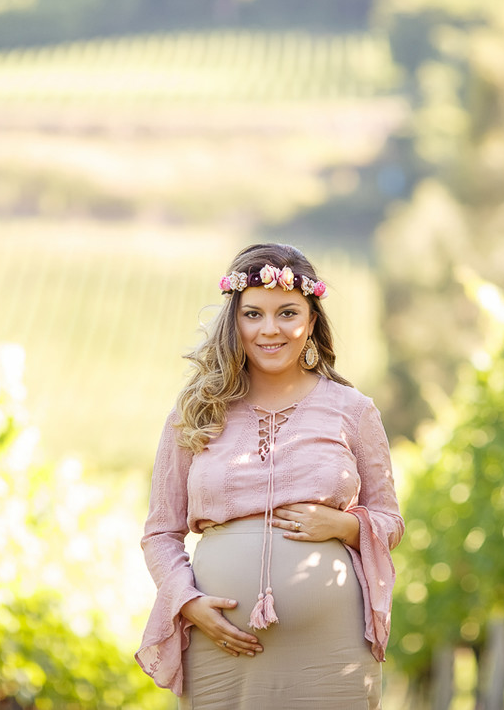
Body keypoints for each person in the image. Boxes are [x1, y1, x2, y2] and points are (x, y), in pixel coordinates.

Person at [135, 242, 404, 709]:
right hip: (221, 645)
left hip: (330, 647)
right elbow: (160, 532)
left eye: (287, 313)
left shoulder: (354, 411)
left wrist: (345, 525)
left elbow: (389, 519)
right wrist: (188, 602)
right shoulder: (196, 412)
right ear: (233, 321)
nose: (270, 330)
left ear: (312, 320)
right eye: (253, 314)